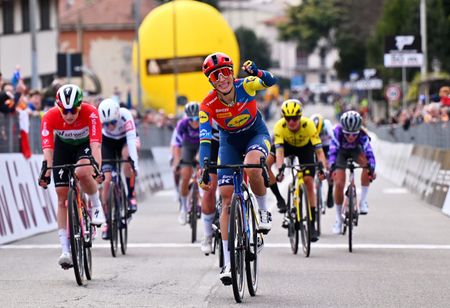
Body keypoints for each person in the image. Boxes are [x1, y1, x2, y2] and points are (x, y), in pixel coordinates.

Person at [198, 52, 277, 284]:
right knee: (226, 196)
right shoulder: (207, 104)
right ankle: (227, 261)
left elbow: (271, 80)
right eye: (215, 76)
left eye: (224, 72)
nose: (221, 79)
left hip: (256, 135)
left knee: (252, 167)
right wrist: (204, 167)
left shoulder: (247, 85)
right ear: (211, 81)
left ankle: (262, 210)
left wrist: (257, 72)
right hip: (229, 142)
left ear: (231, 72)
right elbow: (204, 140)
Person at [38, 84, 106, 268]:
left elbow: (96, 146)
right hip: (63, 147)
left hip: (84, 145)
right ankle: (65, 250)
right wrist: (47, 171)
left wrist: (97, 169)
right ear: (58, 108)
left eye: (73, 111)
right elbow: (48, 150)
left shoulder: (91, 112)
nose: (69, 116)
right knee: (61, 196)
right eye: (65, 111)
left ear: (80, 105)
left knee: (83, 172)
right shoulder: (49, 116)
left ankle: (96, 206)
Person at [266, 99, 328, 242]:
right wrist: (280, 170)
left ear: (300, 117)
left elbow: (319, 152)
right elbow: (280, 152)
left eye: (295, 118)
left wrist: (322, 168)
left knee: (308, 182)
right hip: (286, 146)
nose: (291, 122)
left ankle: (312, 224)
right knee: (265, 165)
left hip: (304, 148)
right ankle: (279, 199)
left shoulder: (309, 125)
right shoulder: (280, 126)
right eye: (288, 118)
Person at [97, 98, 139, 239]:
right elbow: (95, 144)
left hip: (125, 140)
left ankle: (131, 195)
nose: (110, 126)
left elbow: (132, 141)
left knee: (127, 156)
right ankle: (107, 221)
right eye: (106, 124)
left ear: (117, 116)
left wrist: (135, 164)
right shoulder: (99, 121)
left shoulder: (125, 114)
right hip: (107, 143)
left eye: (113, 122)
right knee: (106, 181)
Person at [328, 110, 376, 234]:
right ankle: (338, 219)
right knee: (339, 183)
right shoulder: (337, 132)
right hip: (341, 153)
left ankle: (363, 201)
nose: (350, 137)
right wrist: (332, 166)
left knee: (367, 165)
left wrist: (372, 168)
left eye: (354, 135)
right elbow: (332, 152)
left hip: (356, 151)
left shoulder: (363, 134)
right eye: (347, 134)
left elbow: (369, 152)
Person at [172, 102, 201, 225]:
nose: (194, 122)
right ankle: (183, 208)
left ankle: (201, 200)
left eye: (197, 119)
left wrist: (200, 156)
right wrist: (177, 161)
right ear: (187, 118)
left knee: (203, 173)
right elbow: (177, 145)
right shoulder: (182, 124)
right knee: (185, 177)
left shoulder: (205, 121)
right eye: (191, 119)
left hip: (202, 145)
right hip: (187, 147)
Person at [310, 113, 335, 208]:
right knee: (315, 165)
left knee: (329, 167)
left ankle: (330, 190)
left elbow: (334, 141)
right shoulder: (310, 125)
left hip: (327, 146)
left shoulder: (327, 125)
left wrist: (330, 161)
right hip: (316, 146)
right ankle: (318, 190)